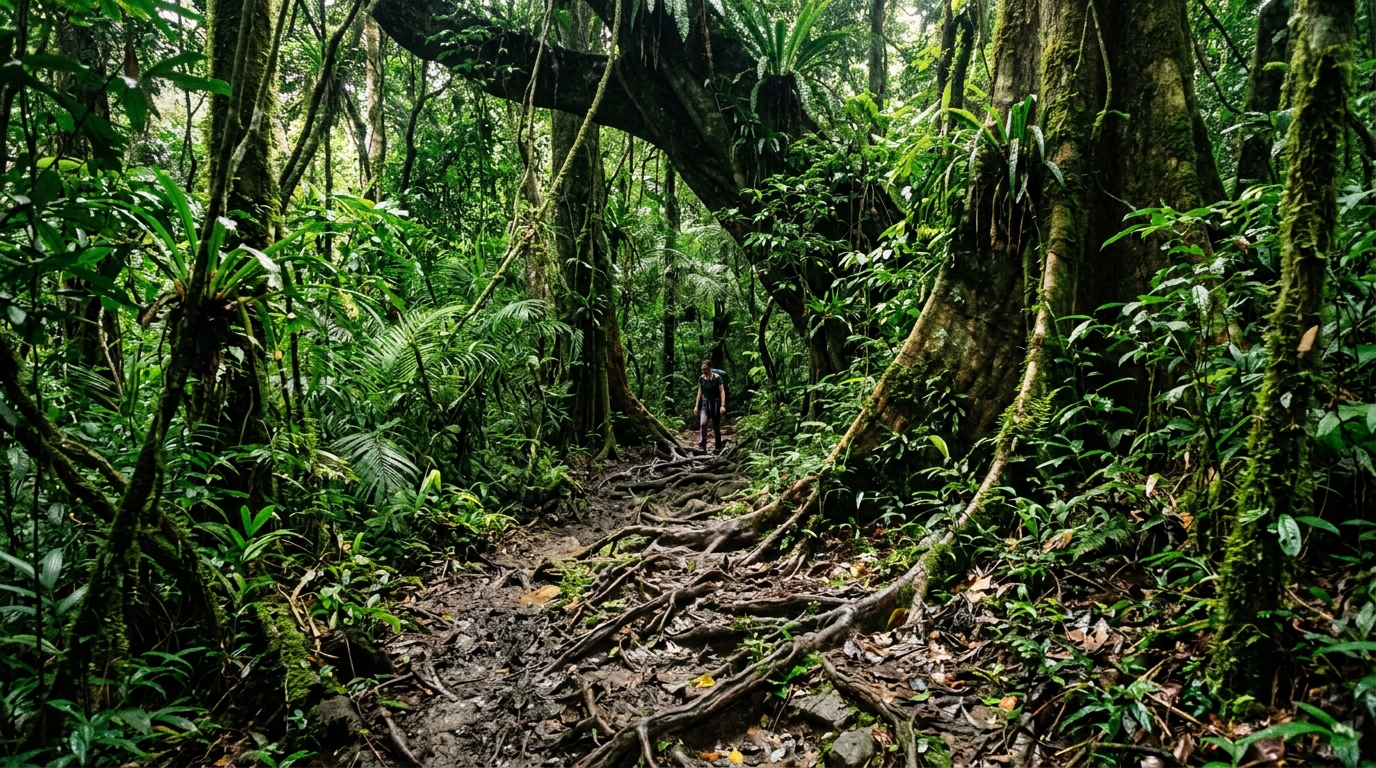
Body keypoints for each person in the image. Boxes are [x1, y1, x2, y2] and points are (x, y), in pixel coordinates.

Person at [694, 360, 725, 452]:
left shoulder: (717, 378)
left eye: (705, 369)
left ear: (710, 368)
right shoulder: (701, 378)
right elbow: (700, 392)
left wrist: (722, 405)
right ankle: (702, 446)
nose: (704, 371)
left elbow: (722, 391)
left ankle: (718, 447)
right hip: (704, 404)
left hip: (715, 404)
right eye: (702, 369)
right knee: (703, 424)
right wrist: (696, 406)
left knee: (716, 426)